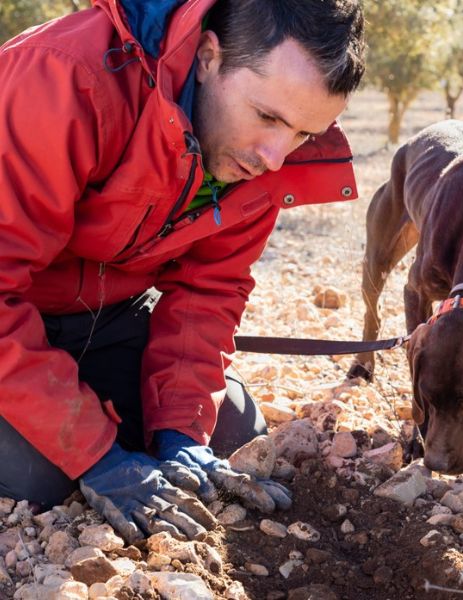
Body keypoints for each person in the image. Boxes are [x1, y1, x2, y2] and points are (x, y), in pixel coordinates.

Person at [0, 0, 365, 543]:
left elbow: (207, 292)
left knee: (229, 431)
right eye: (268, 117)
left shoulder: (257, 156)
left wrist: (180, 431)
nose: (274, 158)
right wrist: (95, 454)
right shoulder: (62, 77)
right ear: (207, 57)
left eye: (303, 135)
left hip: (106, 316)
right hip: (15, 311)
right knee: (40, 478)